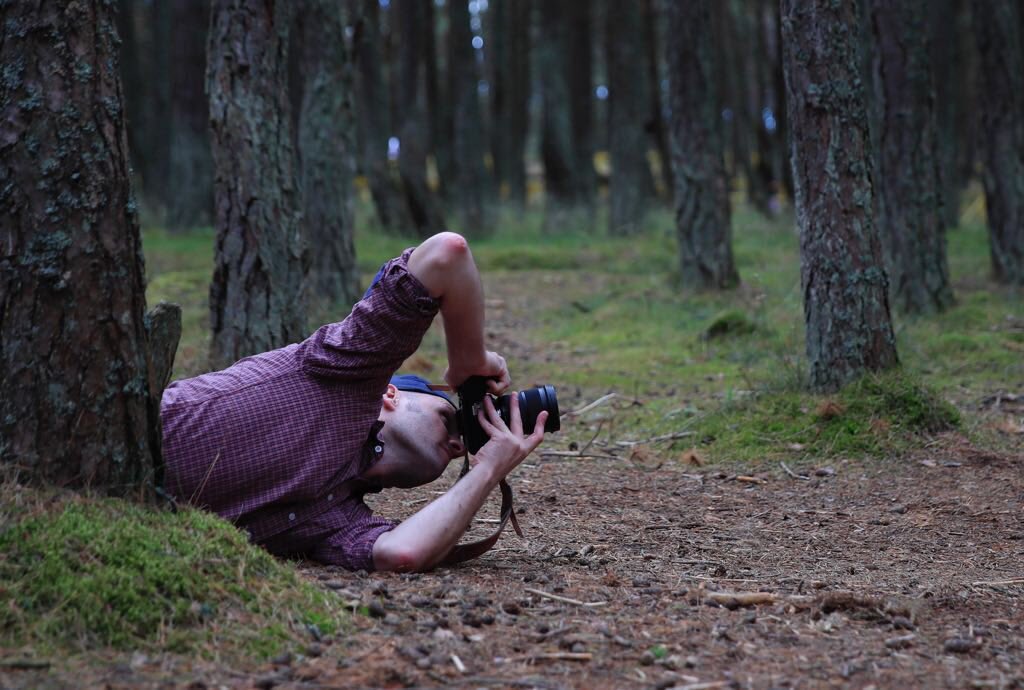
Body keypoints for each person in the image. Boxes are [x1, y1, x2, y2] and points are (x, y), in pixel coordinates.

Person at [160, 232, 548, 573]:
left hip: (112, 529)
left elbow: (402, 553)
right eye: (449, 418)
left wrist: (488, 470)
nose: (458, 443)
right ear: (390, 395)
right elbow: (447, 254)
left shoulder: (338, 515)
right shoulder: (346, 370)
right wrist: (470, 361)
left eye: (459, 453)